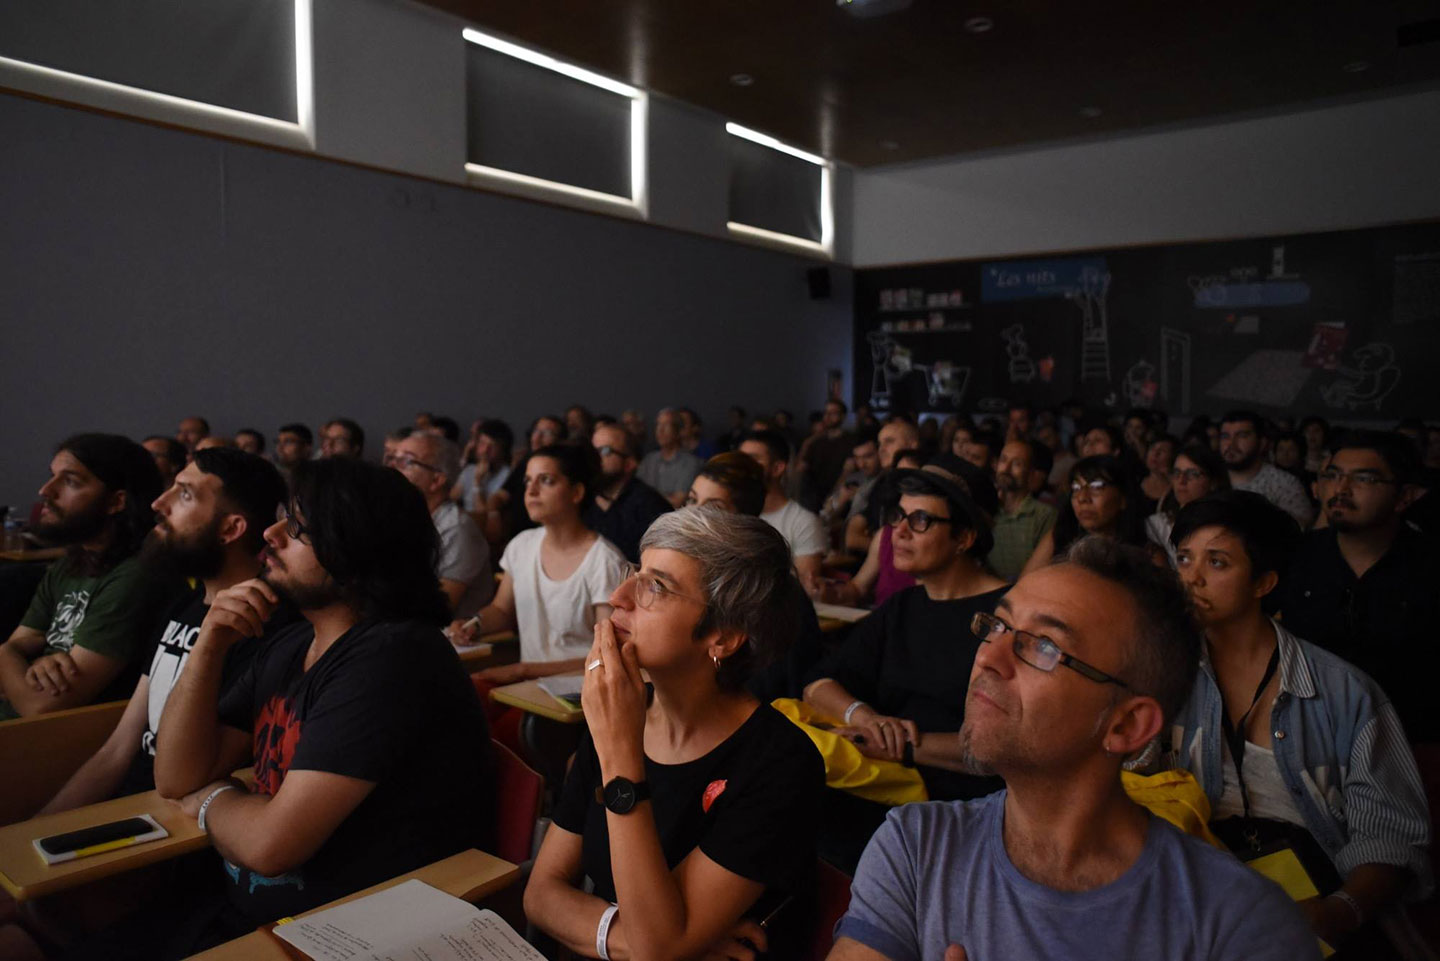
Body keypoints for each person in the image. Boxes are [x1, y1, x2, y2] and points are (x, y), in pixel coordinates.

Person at [828, 537, 1318, 961]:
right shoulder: (917, 848)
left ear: (1126, 725)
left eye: (1043, 646)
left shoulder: (1239, 924)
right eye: (998, 626)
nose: (988, 657)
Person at [121, 458, 494, 959]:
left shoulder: (394, 657)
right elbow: (174, 776)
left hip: (344, 934)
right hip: (247, 915)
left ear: (357, 547)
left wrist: (209, 801)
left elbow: (269, 846)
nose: (270, 535)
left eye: (297, 527)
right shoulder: (290, 645)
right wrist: (209, 643)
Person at [525, 509, 825, 961]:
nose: (619, 595)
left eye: (656, 587)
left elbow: (658, 947)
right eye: (636, 572)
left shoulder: (780, 762)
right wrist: (647, 940)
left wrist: (620, 754)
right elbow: (541, 895)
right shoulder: (622, 713)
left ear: (723, 637)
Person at [1167, 491, 1431, 951]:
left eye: (1217, 563)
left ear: (1263, 582)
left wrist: (1338, 911)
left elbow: (1390, 839)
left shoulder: (1345, 693)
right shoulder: (1165, 676)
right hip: (1196, 895)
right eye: (1184, 558)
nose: (1192, 578)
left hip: (1316, 895)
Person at [37, 449, 295, 812]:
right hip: (126, 805)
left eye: (185, 494)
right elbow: (118, 749)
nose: (159, 503)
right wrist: (40, 825)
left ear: (231, 528)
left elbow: (200, 775)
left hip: (174, 825)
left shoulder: (269, 627)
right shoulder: (182, 607)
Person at [804, 463, 1008, 866]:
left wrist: (902, 747)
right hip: (886, 786)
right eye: (897, 517)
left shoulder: (1009, 614)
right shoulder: (902, 607)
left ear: (964, 537)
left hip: (967, 806)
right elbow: (817, 684)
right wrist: (864, 718)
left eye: (921, 520)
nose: (898, 532)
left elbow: (1007, 746)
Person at [1277, 430, 1440, 742]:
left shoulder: (1428, 565)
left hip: (1411, 739)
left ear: (1404, 496)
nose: (1341, 488)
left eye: (1364, 479)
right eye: (1332, 475)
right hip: (1312, 735)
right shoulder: (1298, 556)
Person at [0, 434, 177, 719]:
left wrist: (6, 656)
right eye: (52, 476)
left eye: (70, 481)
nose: (46, 490)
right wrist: (14, 657)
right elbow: (20, 642)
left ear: (116, 501)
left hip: (44, 741)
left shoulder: (136, 576)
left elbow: (42, 707)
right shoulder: (69, 565)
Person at [451, 444, 627, 684]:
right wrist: (473, 625)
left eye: (546, 480)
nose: (531, 491)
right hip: (530, 688)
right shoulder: (521, 545)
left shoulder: (604, 560)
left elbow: (606, 653)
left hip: (580, 693)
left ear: (576, 493)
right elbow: (502, 611)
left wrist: (524, 671)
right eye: (527, 481)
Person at [392, 431, 494, 617]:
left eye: (406, 461)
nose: (392, 468)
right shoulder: (398, 519)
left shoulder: (457, 529)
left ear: (436, 480)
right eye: (391, 458)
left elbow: (436, 611)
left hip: (446, 638)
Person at [1020, 455, 1146, 576]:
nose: (1082, 497)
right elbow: (1024, 587)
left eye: (1096, 487)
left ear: (1123, 499)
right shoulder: (1060, 535)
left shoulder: (1148, 554)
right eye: (1076, 488)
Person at [739, 430, 828, 582]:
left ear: (777, 468)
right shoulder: (732, 514)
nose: (742, 467)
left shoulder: (803, 522)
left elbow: (803, 588)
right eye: (741, 459)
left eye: (752, 460)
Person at [584, 421, 671, 563]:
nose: (594, 458)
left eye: (605, 451)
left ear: (629, 464)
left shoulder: (650, 506)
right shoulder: (580, 500)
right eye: (592, 451)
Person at [1219, 410, 1313, 528]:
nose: (1231, 444)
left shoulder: (1284, 483)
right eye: (1225, 436)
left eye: (1242, 436)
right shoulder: (1207, 477)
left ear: (1262, 443)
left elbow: (1299, 529)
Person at [1145, 441, 1231, 563]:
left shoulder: (1225, 526)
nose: (1182, 480)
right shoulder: (1157, 525)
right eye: (1177, 473)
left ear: (1213, 482)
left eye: (1192, 474)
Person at [988, 440, 1057, 582]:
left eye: (1016, 464)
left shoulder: (1043, 515)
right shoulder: (987, 511)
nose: (1006, 469)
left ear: (1031, 474)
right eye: (1003, 460)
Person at [636, 409, 702, 508]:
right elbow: (635, 495)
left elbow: (677, 502)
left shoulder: (691, 463)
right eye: (658, 425)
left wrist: (648, 496)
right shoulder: (649, 460)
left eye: (667, 425)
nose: (660, 430)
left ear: (678, 431)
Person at [800, 400, 856, 512]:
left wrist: (834, 496)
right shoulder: (816, 441)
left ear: (842, 416)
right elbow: (802, 467)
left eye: (833, 413)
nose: (828, 416)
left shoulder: (850, 440)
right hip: (814, 495)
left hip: (838, 495)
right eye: (826, 412)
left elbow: (848, 470)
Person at [453, 418, 513, 518]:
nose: (485, 450)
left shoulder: (507, 475)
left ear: (503, 450)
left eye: (492, 446)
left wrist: (477, 483)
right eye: (482, 443)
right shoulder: (470, 469)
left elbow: (484, 515)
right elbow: (451, 499)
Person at [1139, 433, 1178, 514]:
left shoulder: (1176, 488)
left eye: (1162, 450)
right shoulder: (1136, 480)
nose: (1155, 454)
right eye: (1152, 449)